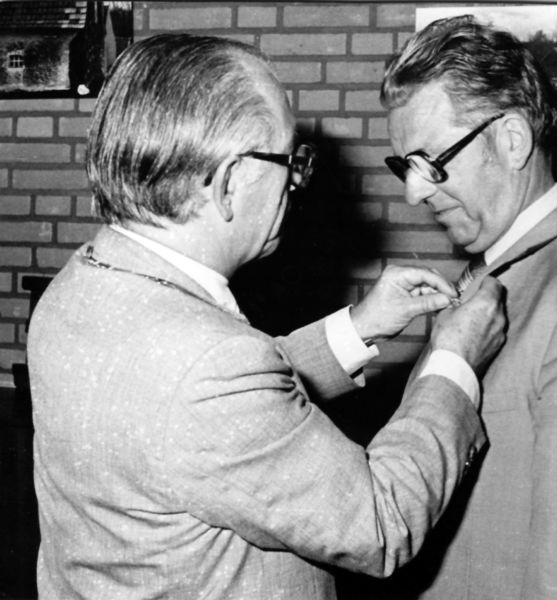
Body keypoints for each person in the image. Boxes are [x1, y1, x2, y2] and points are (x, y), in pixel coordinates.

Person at [27, 33, 507, 599]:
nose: (296, 184)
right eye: (290, 161)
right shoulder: (211, 369)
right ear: (231, 182)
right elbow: (381, 524)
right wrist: (453, 361)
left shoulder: (80, 284)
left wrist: (357, 328)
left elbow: (213, 409)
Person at [371, 15, 557, 600]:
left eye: (430, 161)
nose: (414, 191)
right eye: (405, 166)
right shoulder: (496, 270)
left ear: (511, 139)